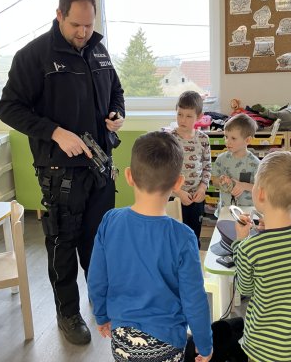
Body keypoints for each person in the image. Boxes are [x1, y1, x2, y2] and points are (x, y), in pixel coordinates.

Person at [0, 0, 125, 345]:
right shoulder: (34, 56)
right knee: (63, 243)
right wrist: (54, 132)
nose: (83, 33)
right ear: (59, 15)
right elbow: (9, 108)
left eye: (89, 24)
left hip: (100, 165)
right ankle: (67, 313)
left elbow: (116, 91)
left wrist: (117, 114)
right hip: (59, 171)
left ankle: (100, 300)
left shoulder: (99, 50)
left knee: (99, 240)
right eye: (75, 25)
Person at [87, 131, 213, 362]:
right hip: (167, 342)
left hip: (122, 339)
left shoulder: (110, 221)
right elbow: (194, 299)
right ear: (178, 183)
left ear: (129, 176)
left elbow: (96, 278)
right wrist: (204, 344)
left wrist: (101, 315)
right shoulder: (183, 236)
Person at [232, 151, 291, 362]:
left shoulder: (250, 248)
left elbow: (245, 289)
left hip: (265, 350)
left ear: (260, 194)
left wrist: (240, 241)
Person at [171, 91, 211, 248]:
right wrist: (178, 192)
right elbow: (165, 171)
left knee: (193, 238)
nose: (183, 120)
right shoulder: (169, 139)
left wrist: (202, 188)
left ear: (199, 116)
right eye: (180, 114)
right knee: (174, 239)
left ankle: (193, 262)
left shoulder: (203, 139)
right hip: (175, 197)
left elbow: (207, 167)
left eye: (188, 116)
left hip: (196, 198)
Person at [212, 114, 259, 216]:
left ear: (247, 140)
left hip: (247, 211)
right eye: (226, 137)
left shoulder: (255, 163)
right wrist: (221, 181)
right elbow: (214, 180)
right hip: (225, 208)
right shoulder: (221, 159)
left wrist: (243, 186)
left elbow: (260, 188)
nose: (227, 141)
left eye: (233, 138)